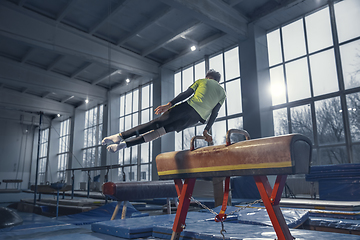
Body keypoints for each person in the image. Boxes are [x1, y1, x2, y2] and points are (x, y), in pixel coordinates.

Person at [102, 69, 226, 153]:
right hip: (193, 120)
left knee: (154, 124)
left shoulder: (202, 81)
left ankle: (120, 136)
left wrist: (169, 104)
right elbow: (215, 113)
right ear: (218, 81)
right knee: (159, 132)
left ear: (208, 77)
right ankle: (124, 145)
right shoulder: (222, 93)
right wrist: (206, 130)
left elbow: (186, 94)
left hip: (186, 108)